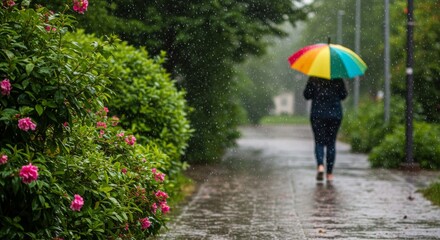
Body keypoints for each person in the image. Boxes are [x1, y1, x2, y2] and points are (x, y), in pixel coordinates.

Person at [303, 76, 347, 181]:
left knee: (319, 142)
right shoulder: (338, 78)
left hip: (318, 114)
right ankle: (330, 174)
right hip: (334, 115)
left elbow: (306, 95)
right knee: (331, 143)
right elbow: (343, 95)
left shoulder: (314, 78)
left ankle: (320, 166)